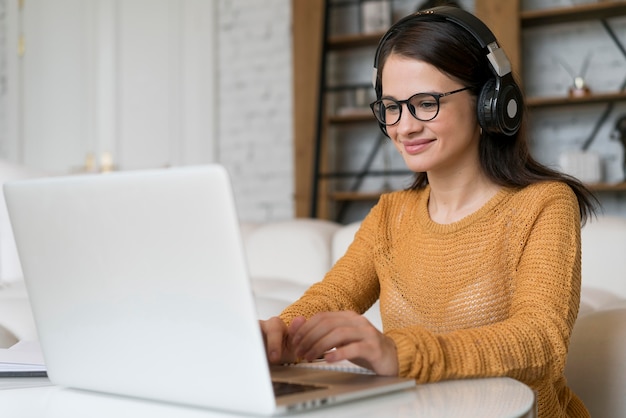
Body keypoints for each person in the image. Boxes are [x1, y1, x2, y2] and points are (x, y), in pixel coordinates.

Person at [261, 6, 598, 418]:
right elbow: (335, 295)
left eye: (425, 103)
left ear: (489, 102)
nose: (404, 127)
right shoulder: (391, 214)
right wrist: (278, 333)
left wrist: (401, 354)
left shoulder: (544, 204)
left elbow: (541, 341)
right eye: (391, 107)